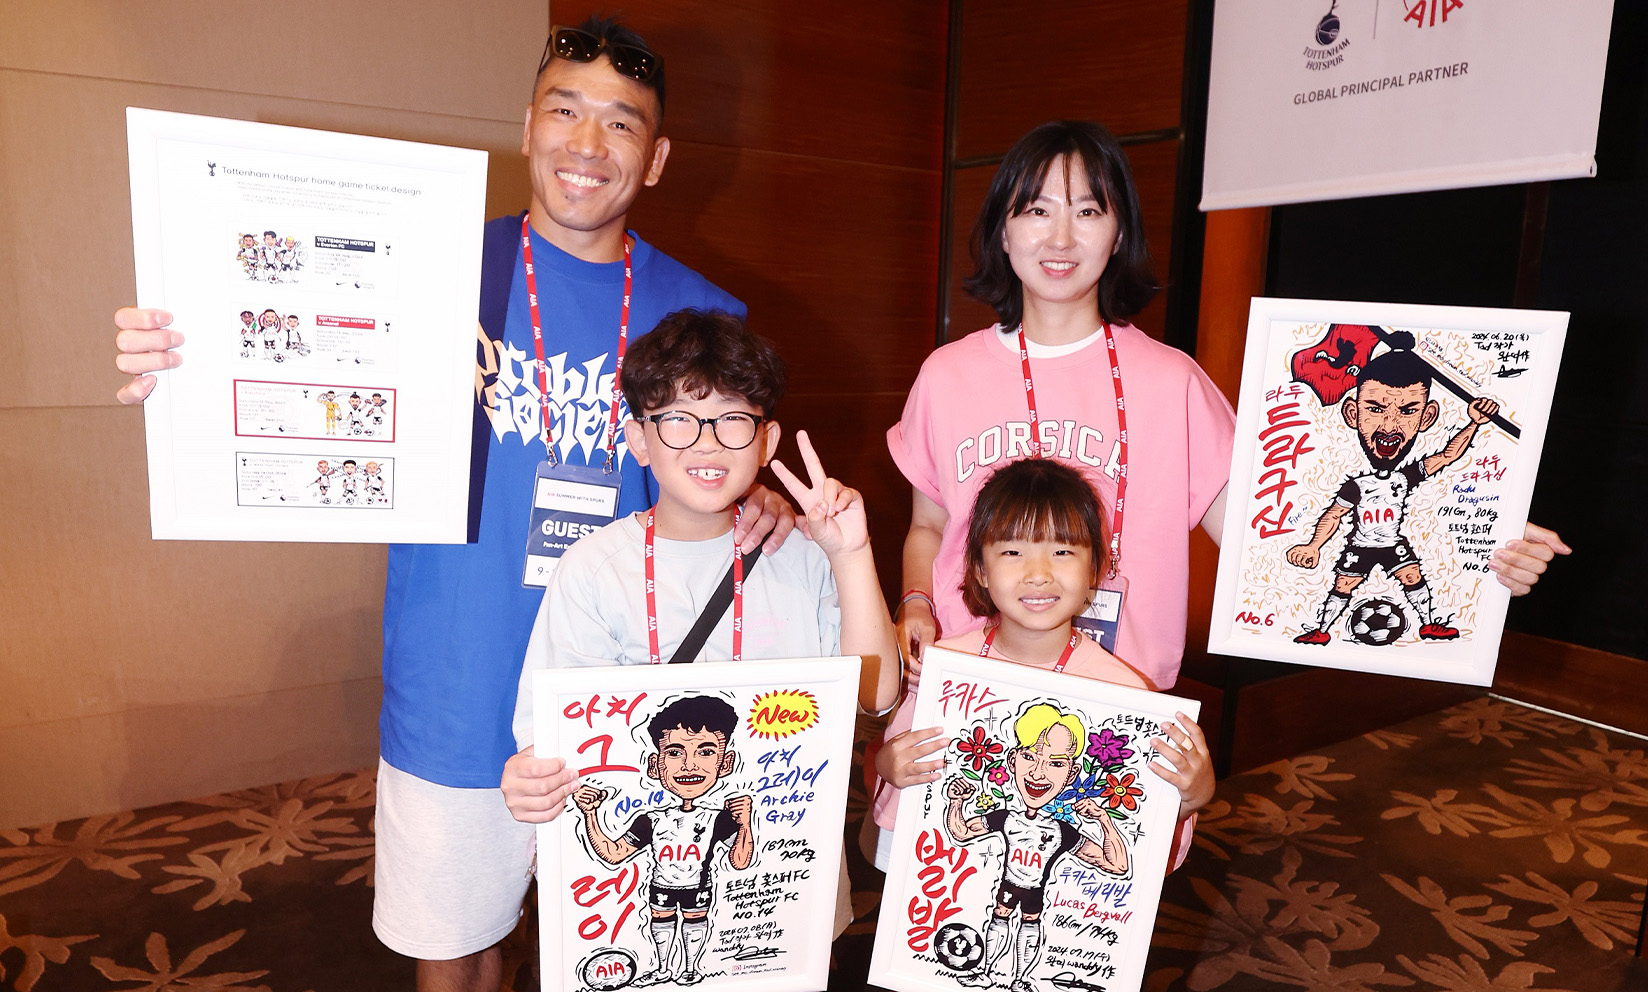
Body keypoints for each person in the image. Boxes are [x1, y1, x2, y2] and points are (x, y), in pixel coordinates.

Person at [111, 18, 797, 991]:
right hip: (457, 682)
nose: (587, 143)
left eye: (620, 123)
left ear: (656, 157)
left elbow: (723, 474)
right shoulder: (422, 268)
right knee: (459, 952)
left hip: (634, 695)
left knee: (637, 950)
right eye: (565, 111)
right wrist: (180, 360)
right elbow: (279, 355)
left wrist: (762, 503)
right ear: (527, 126)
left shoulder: (702, 311)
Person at [887, 119, 1568, 694]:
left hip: (1116, 690)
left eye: (1088, 211)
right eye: (1036, 210)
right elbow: (928, 526)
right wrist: (916, 602)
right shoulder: (948, 375)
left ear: (1119, 234)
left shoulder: (1172, 382)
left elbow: (1267, 531)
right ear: (1003, 231)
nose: (1060, 237)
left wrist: (1476, 539)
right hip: (966, 679)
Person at [501, 308, 901, 944]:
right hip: (641, 893)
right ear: (638, 439)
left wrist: (850, 554)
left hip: (782, 890)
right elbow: (552, 740)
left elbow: (876, 696)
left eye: (732, 419)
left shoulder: (804, 556)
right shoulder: (595, 570)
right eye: (678, 419)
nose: (707, 443)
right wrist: (530, 780)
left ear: (766, 440)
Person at [872, 459, 1210, 890]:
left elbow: (1141, 826)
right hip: (948, 889)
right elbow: (896, 764)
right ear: (980, 569)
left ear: (1094, 568)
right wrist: (889, 764)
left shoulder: (1124, 692)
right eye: (1013, 552)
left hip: (1068, 904)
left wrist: (1194, 793)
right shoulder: (945, 672)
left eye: (1062, 552)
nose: (1038, 574)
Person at [1288, 334, 1499, 643]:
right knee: (1343, 585)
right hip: (1360, 546)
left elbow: (1447, 456)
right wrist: (1313, 546)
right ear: (1352, 414)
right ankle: (1320, 631)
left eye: (1408, 411)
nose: (1389, 425)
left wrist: (1474, 424)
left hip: (1392, 544)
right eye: (1375, 409)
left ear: (1427, 417)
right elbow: (1333, 516)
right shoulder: (1357, 487)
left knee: (1412, 576)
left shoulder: (1405, 478)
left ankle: (1429, 624)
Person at [569, 695, 755, 986]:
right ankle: (663, 968)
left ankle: (690, 968)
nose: (689, 766)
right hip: (662, 886)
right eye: (675, 752)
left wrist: (745, 824)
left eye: (706, 752)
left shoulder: (718, 818)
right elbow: (614, 854)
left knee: (694, 922)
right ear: (655, 766)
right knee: (661, 921)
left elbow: (740, 861)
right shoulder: (651, 820)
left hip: (697, 887)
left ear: (725, 763)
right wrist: (590, 814)